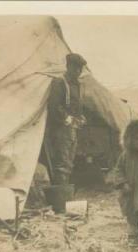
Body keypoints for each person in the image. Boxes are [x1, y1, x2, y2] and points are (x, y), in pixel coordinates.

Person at [46, 53, 88, 185]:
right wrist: (67, 118)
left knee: (69, 161)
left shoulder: (78, 85)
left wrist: (81, 117)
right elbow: (54, 106)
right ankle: (61, 195)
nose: (79, 72)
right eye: (76, 68)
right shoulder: (59, 82)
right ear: (68, 66)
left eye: (80, 69)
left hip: (73, 129)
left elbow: (78, 106)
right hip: (61, 129)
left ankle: (65, 192)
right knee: (62, 163)